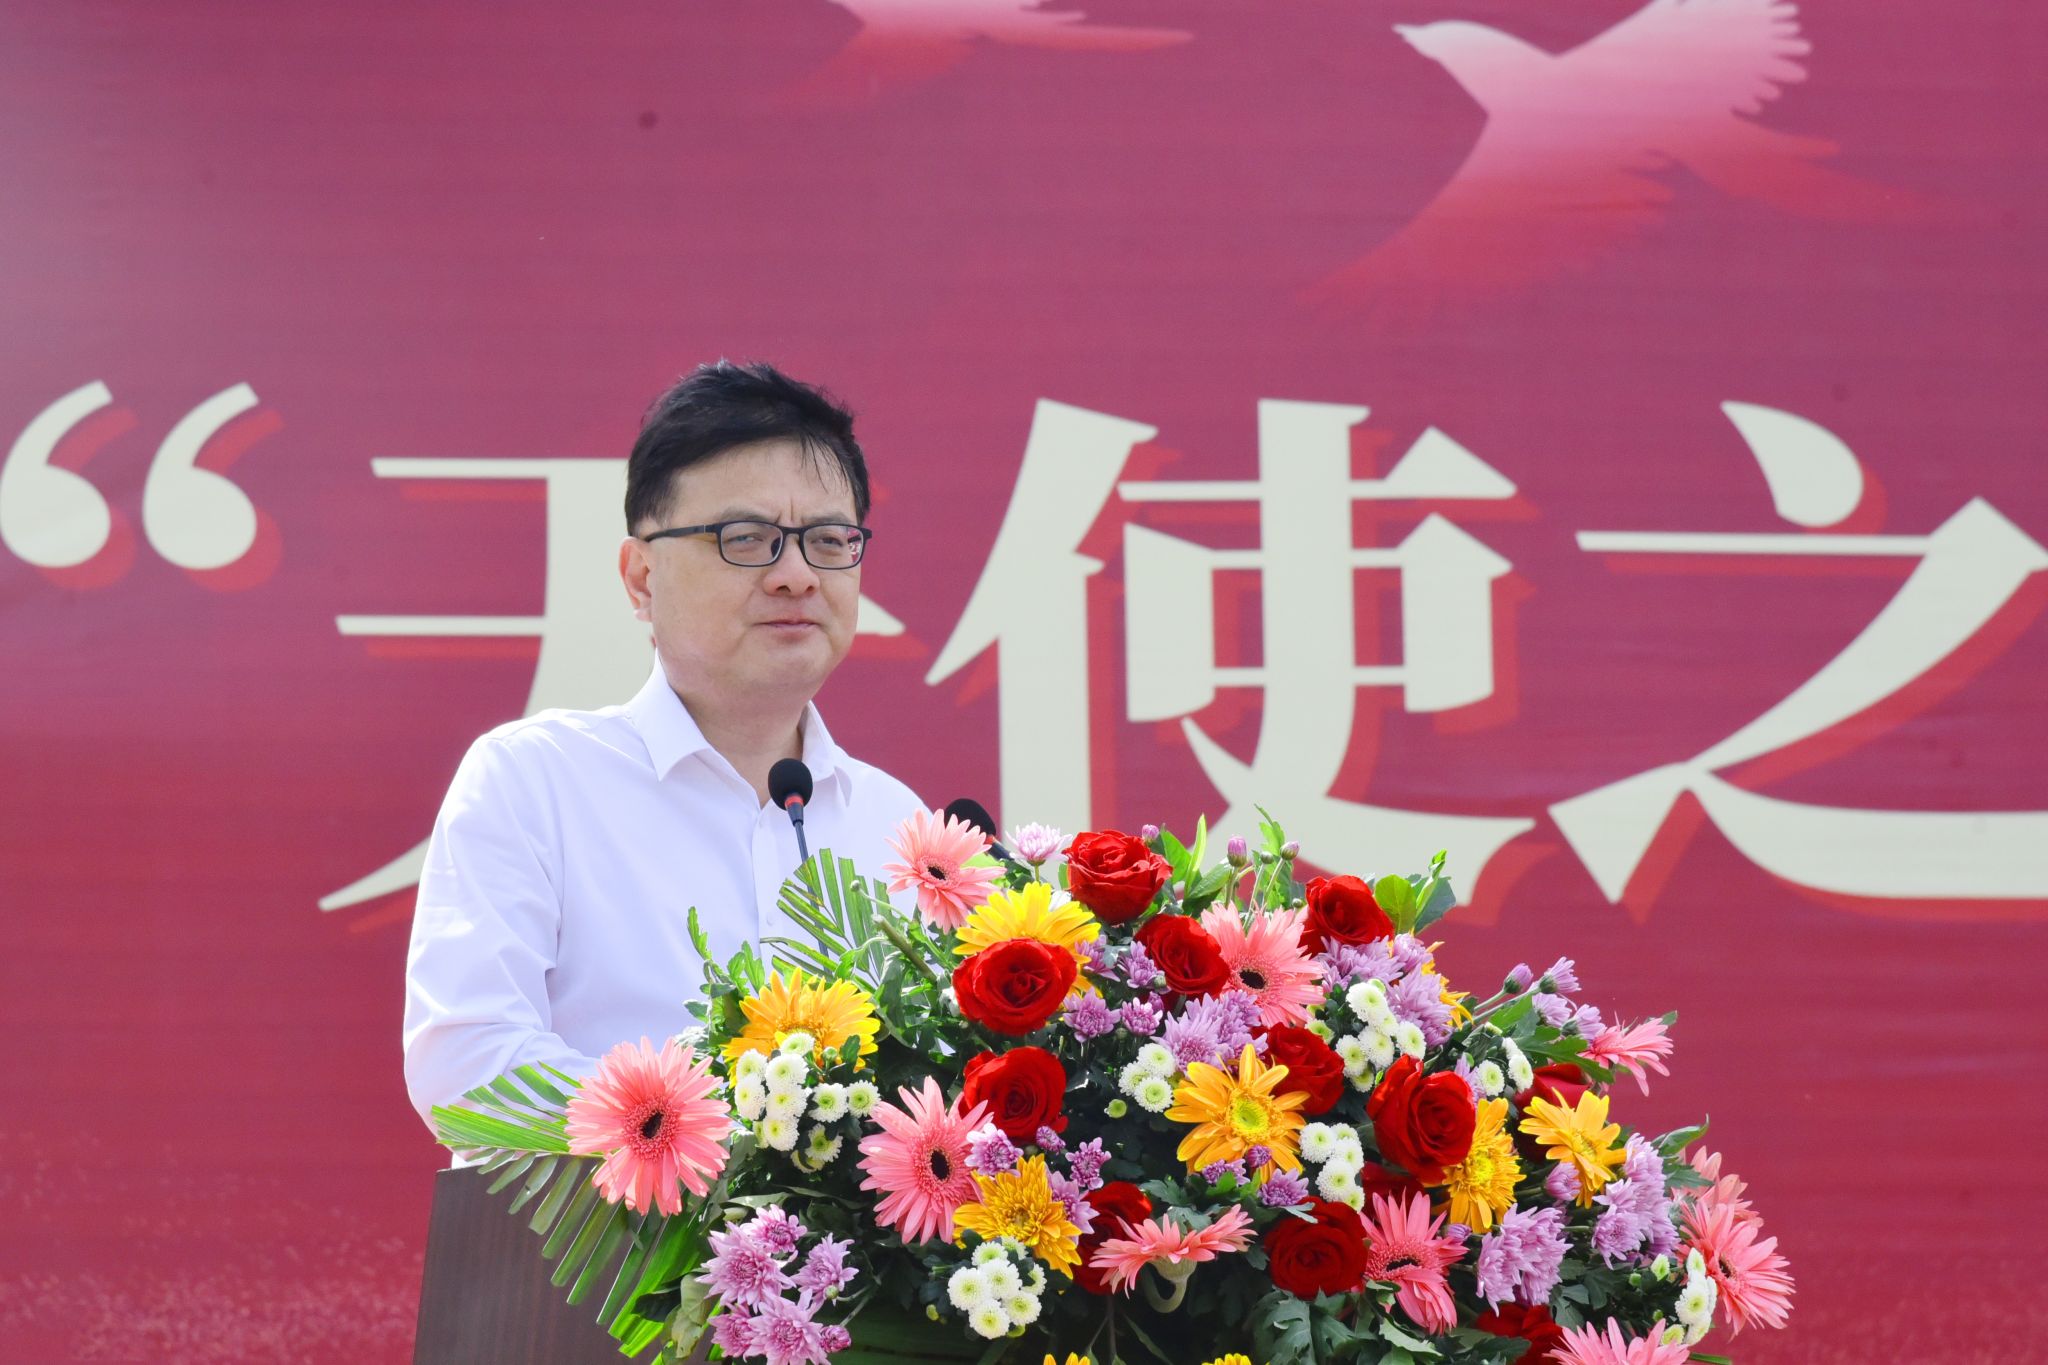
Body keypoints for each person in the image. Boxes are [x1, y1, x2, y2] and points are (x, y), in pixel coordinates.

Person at [402, 361, 926, 1127]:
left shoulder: (901, 827)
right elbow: (468, 1067)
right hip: (601, 1212)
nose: (795, 575)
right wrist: (731, 1129)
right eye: (747, 539)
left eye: (826, 540)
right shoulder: (533, 782)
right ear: (641, 577)